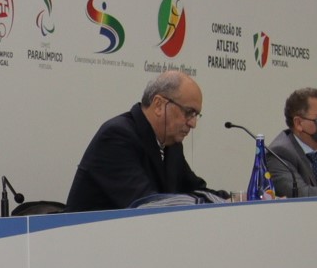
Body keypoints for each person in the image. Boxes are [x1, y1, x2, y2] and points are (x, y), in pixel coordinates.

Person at [65, 71, 229, 212]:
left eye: (196, 115)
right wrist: (205, 201)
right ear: (159, 105)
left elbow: (195, 188)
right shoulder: (116, 136)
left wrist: (232, 200)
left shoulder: (171, 144)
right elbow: (146, 205)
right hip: (89, 236)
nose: (193, 124)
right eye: (188, 112)